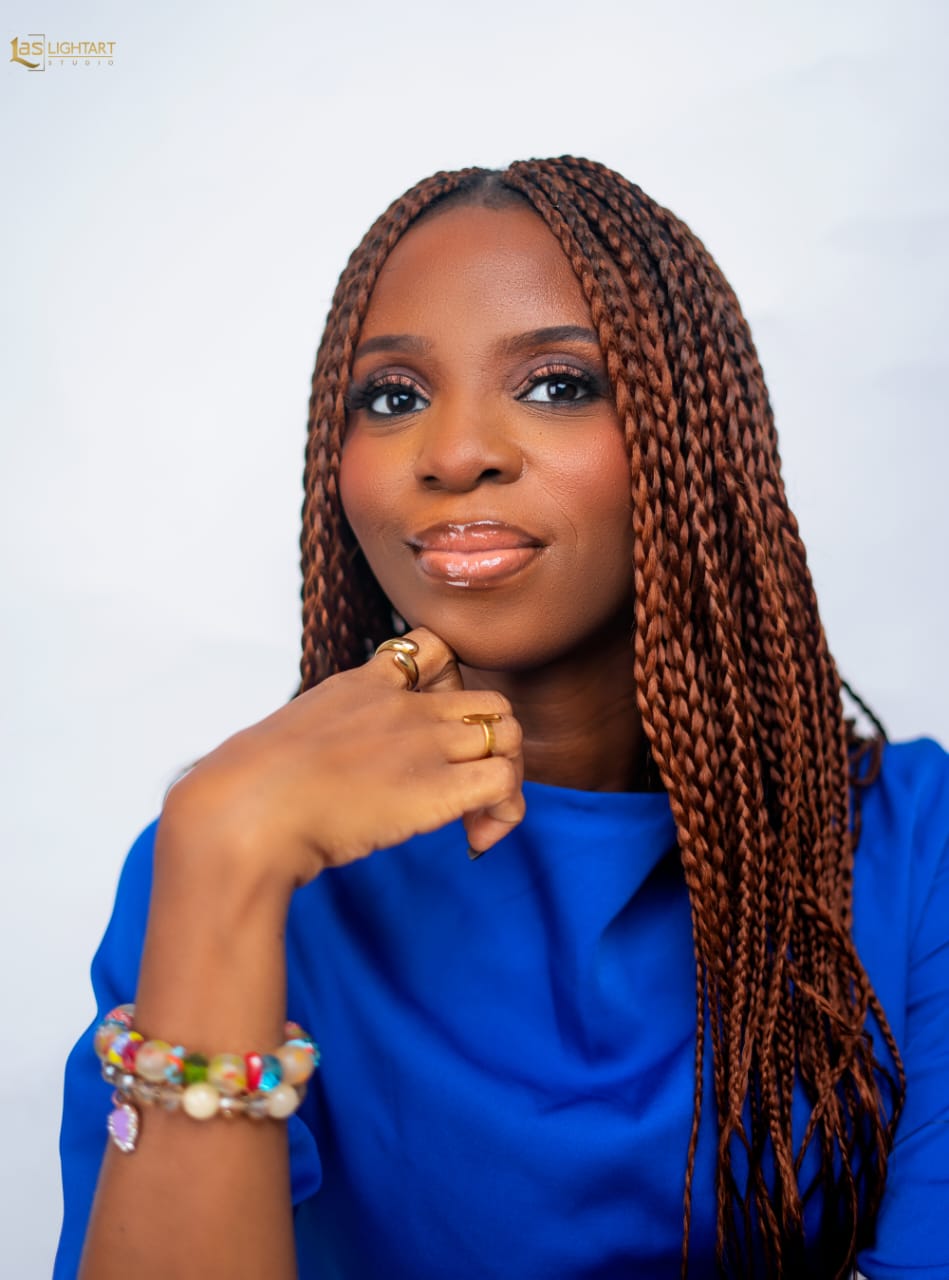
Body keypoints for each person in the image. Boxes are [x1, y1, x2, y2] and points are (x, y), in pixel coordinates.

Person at [55, 157, 948, 1280]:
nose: (453, 453)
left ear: (695, 438)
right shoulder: (230, 852)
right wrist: (220, 855)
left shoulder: (912, 846)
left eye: (557, 383)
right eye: (393, 397)